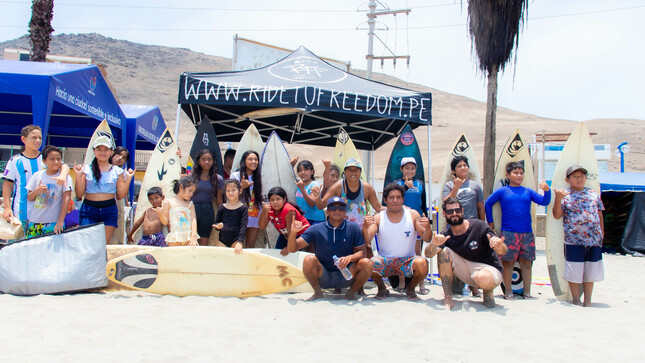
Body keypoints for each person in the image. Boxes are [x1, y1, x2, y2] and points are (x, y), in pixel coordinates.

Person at [425, 197, 507, 309]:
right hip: (466, 270)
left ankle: (488, 295)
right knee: (444, 252)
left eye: (457, 210)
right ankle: (448, 298)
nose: (454, 214)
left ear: (462, 211)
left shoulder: (479, 226)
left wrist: (499, 246)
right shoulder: (446, 235)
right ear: (444, 214)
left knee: (483, 278)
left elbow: (503, 250)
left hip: (488, 269)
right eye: (450, 211)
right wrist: (433, 244)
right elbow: (428, 254)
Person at [485, 161, 551, 299]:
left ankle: (527, 292)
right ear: (508, 175)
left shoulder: (528, 191)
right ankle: (508, 291)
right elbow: (488, 203)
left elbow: (544, 202)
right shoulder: (503, 191)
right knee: (508, 263)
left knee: (526, 263)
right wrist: (490, 222)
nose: (519, 175)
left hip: (527, 232)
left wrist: (547, 190)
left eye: (521, 173)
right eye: (515, 172)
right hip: (508, 233)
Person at [287, 196, 373, 301]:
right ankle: (318, 293)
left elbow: (362, 253)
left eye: (341, 208)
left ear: (345, 212)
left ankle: (351, 293)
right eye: (333, 208)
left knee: (366, 263)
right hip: (324, 276)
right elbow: (292, 249)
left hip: (346, 275)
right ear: (327, 211)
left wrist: (349, 258)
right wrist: (293, 233)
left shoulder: (353, 227)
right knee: (309, 260)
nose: (337, 211)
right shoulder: (316, 229)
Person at [363, 183, 431, 301]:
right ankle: (382, 288)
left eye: (398, 197)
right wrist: (364, 227)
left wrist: (428, 228)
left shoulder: (413, 215)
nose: (395, 200)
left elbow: (427, 238)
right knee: (370, 263)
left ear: (403, 199)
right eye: (391, 197)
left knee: (423, 263)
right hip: (385, 261)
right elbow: (367, 240)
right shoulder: (379, 217)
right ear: (385, 200)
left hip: (407, 261)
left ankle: (410, 288)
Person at [552, 165, 605, 307]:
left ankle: (588, 301)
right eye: (575, 176)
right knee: (574, 271)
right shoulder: (564, 195)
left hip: (594, 240)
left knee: (591, 271)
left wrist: (602, 233)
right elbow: (556, 215)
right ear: (567, 179)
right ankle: (576, 299)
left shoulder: (593, 194)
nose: (579, 179)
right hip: (573, 240)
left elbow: (599, 213)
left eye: (582, 176)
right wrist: (558, 199)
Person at [2, 125, 70, 233]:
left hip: (44, 215)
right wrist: (7, 207)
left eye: (40, 138)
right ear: (23, 139)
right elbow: (7, 184)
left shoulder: (47, 158)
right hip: (21, 212)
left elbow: (64, 166)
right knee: (19, 246)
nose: (38, 141)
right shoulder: (15, 160)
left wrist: (62, 176)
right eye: (34, 137)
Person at [74, 135, 135, 244]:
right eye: (99, 149)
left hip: (109, 210)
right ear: (94, 151)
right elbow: (79, 193)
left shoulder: (117, 171)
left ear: (111, 151)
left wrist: (129, 179)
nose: (102, 152)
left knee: (103, 246)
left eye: (106, 149)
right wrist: (78, 176)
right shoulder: (86, 169)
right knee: (88, 244)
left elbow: (120, 195)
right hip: (89, 209)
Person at [392, 157, 429, 295]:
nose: (410, 171)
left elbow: (423, 203)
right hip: (402, 221)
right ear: (401, 169)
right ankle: (402, 282)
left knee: (418, 253)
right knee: (403, 252)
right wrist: (405, 187)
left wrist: (426, 219)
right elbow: (394, 197)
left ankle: (421, 283)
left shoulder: (419, 184)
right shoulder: (396, 183)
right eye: (406, 168)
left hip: (417, 222)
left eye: (412, 168)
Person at [316, 158, 382, 229]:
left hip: (360, 232)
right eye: (349, 170)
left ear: (360, 172)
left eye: (356, 170)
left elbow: (378, 208)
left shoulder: (367, 188)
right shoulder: (338, 187)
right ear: (345, 172)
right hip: (340, 230)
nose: (353, 173)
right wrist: (316, 196)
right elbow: (321, 206)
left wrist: (394, 209)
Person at [25, 146, 73, 238]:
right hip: (34, 221)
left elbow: (66, 199)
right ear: (44, 161)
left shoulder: (65, 177)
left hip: (53, 222)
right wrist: (37, 190)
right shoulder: (37, 175)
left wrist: (60, 221)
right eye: (52, 159)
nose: (56, 162)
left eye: (58, 159)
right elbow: (29, 197)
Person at [258, 186, 310, 255]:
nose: (275, 202)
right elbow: (261, 226)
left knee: (292, 255)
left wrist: (288, 247)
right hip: (285, 234)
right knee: (277, 255)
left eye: (278, 199)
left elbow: (290, 231)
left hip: (300, 234)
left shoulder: (288, 210)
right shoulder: (269, 210)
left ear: (284, 199)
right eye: (272, 200)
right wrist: (263, 212)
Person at [191, 149, 224, 246]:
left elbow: (219, 200)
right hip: (192, 210)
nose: (206, 162)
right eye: (203, 159)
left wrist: (223, 215)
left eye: (209, 159)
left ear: (213, 161)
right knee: (191, 239)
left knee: (204, 242)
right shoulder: (191, 177)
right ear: (198, 161)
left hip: (207, 211)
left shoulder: (218, 179)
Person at [230, 150, 263, 248]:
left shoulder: (259, 177)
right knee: (236, 244)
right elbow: (230, 196)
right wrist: (241, 187)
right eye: (250, 159)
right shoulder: (235, 175)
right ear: (244, 161)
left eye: (256, 159)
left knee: (250, 245)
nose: (253, 161)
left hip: (254, 214)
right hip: (238, 215)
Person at [158, 177, 198, 247]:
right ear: (181, 187)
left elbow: (193, 220)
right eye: (190, 191)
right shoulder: (168, 202)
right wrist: (160, 213)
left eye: (193, 192)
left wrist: (193, 235)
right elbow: (165, 222)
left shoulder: (190, 204)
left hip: (188, 237)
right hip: (175, 237)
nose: (191, 194)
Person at [442, 155, 485, 221]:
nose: (463, 168)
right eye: (459, 166)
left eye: (465, 165)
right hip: (455, 223)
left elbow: (480, 206)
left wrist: (482, 224)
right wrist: (456, 187)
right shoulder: (449, 185)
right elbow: (447, 203)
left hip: (472, 222)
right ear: (453, 171)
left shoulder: (476, 185)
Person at [213, 179, 248, 254]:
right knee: (221, 261)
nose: (230, 193)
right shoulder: (222, 207)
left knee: (235, 262)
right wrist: (218, 226)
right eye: (228, 191)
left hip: (236, 240)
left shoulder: (243, 208)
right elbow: (216, 223)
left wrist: (240, 242)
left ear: (240, 191)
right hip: (222, 240)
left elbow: (243, 226)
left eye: (233, 190)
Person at [295, 160, 325, 226]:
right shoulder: (299, 185)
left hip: (315, 220)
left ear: (312, 171)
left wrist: (302, 189)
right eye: (300, 170)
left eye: (306, 170)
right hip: (304, 219)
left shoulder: (314, 185)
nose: (302, 172)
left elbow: (311, 203)